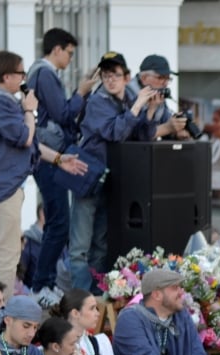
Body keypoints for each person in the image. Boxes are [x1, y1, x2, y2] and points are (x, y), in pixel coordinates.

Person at [0, 50, 88, 298]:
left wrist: (57, 158)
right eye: (21, 73)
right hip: (1, 190)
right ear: (7, 75)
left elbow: (28, 143)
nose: (25, 79)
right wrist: (30, 111)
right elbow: (25, 137)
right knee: (6, 256)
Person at [68, 51, 157, 292]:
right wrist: (138, 106)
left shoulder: (129, 99)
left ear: (127, 77)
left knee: (101, 243)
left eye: (115, 74)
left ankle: (95, 297)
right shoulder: (98, 101)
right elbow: (115, 132)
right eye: (106, 75)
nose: (110, 80)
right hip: (88, 176)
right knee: (80, 246)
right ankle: (81, 299)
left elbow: (143, 136)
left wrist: (148, 111)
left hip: (112, 179)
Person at [28, 28, 97, 308]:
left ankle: (44, 283)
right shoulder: (44, 73)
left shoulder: (40, 73)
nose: (70, 58)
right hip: (50, 157)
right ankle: (39, 285)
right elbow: (64, 114)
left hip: (50, 155)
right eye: (69, 53)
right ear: (56, 49)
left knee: (58, 221)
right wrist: (80, 93)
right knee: (58, 222)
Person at [129, 54, 187, 140]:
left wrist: (177, 131)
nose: (165, 83)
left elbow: (165, 121)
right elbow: (133, 134)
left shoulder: (157, 94)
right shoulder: (126, 95)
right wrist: (167, 128)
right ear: (144, 78)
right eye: (161, 78)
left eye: (168, 79)